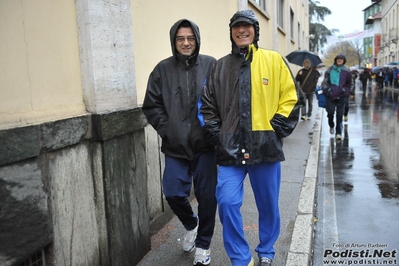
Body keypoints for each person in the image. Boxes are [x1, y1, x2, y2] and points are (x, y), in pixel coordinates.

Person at [198, 10, 300, 266]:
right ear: (231, 33)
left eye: (247, 26)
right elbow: (206, 105)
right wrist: (216, 135)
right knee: (227, 202)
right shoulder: (220, 66)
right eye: (237, 27)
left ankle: (266, 251)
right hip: (229, 149)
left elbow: (291, 97)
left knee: (268, 205)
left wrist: (276, 128)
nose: (242, 31)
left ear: (255, 30)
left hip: (265, 147)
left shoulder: (274, 60)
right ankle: (241, 258)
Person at [142, 19, 217, 266]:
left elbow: (222, 100)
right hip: (175, 148)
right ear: (174, 41)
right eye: (180, 38)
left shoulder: (211, 65)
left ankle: (203, 247)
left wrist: (215, 131)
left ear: (197, 39)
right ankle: (191, 224)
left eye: (190, 38)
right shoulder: (162, 70)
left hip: (206, 147)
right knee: (173, 193)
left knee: (207, 198)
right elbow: (151, 105)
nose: (186, 43)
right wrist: (168, 130)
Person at [321, 53, 352, 140]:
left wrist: (347, 92)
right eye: (338, 59)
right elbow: (325, 82)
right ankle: (331, 125)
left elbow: (350, 83)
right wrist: (327, 91)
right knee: (330, 113)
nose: (339, 60)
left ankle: (338, 133)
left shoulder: (347, 70)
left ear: (344, 60)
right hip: (330, 96)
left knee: (339, 115)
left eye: (341, 59)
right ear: (335, 60)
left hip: (342, 96)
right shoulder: (329, 70)